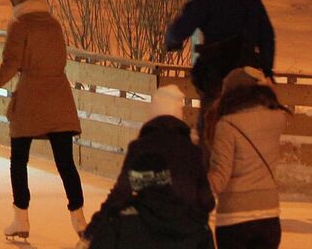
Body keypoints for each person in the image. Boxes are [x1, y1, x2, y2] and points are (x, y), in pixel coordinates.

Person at [0, 0, 85, 241]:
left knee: (19, 161)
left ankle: (21, 220)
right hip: (59, 99)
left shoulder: (19, 24)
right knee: (66, 164)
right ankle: (81, 222)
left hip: (30, 101)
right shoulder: (54, 25)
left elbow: (9, 66)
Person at [80, 87, 214, 249]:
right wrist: (193, 219)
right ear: (180, 115)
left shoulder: (141, 147)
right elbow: (207, 201)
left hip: (143, 234)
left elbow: (121, 193)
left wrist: (92, 230)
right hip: (187, 236)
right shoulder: (191, 151)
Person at [165, 0, 277, 108]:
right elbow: (267, 36)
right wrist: (267, 70)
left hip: (215, 70)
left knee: (211, 118)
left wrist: (172, 40)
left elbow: (182, 26)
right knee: (245, 115)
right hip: (246, 70)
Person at [207, 67, 289, 249]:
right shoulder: (277, 118)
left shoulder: (226, 125)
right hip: (269, 217)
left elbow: (220, 178)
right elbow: (273, 101)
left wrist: (194, 182)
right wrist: (267, 87)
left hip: (235, 220)